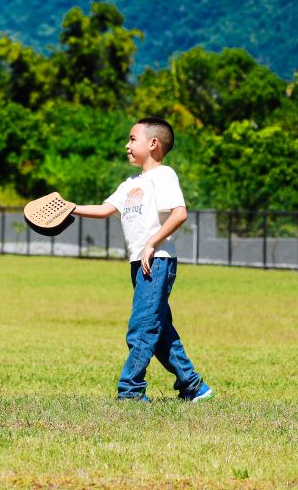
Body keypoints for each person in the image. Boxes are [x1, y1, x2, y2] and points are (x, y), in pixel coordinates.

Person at [71, 116, 212, 402]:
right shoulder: (131, 183)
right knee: (159, 331)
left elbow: (179, 213)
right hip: (141, 262)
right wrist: (69, 207)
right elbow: (103, 209)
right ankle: (193, 386)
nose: (127, 144)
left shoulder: (164, 175)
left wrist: (152, 243)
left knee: (142, 327)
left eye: (133, 139)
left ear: (154, 143)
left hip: (157, 260)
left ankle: (131, 391)